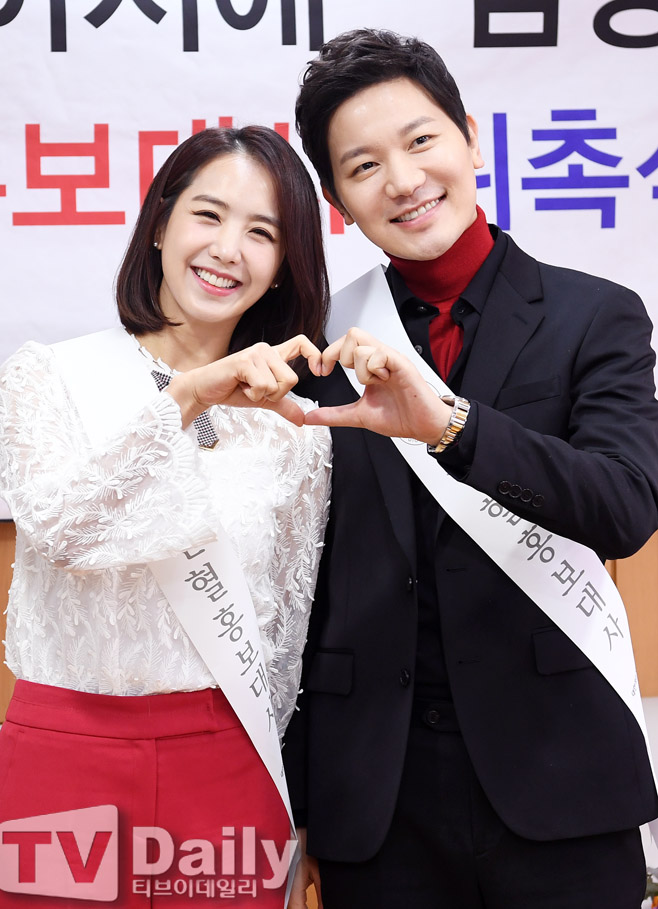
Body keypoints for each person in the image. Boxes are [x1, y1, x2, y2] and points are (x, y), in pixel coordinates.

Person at [284, 28, 658, 909]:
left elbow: (624, 507)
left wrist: (454, 427)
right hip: (376, 799)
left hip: (562, 781)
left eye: (421, 140)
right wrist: (303, 798)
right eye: (364, 166)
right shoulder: (318, 343)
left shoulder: (596, 315)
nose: (404, 180)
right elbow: (295, 581)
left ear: (470, 139)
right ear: (338, 201)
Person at [0, 126, 331, 907]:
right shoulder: (49, 375)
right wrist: (183, 397)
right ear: (159, 225)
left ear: (284, 264)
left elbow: (288, 637)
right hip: (64, 754)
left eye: (262, 233)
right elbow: (62, 531)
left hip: (230, 759)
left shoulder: (296, 432)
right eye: (207, 215)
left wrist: (296, 795)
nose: (227, 249)